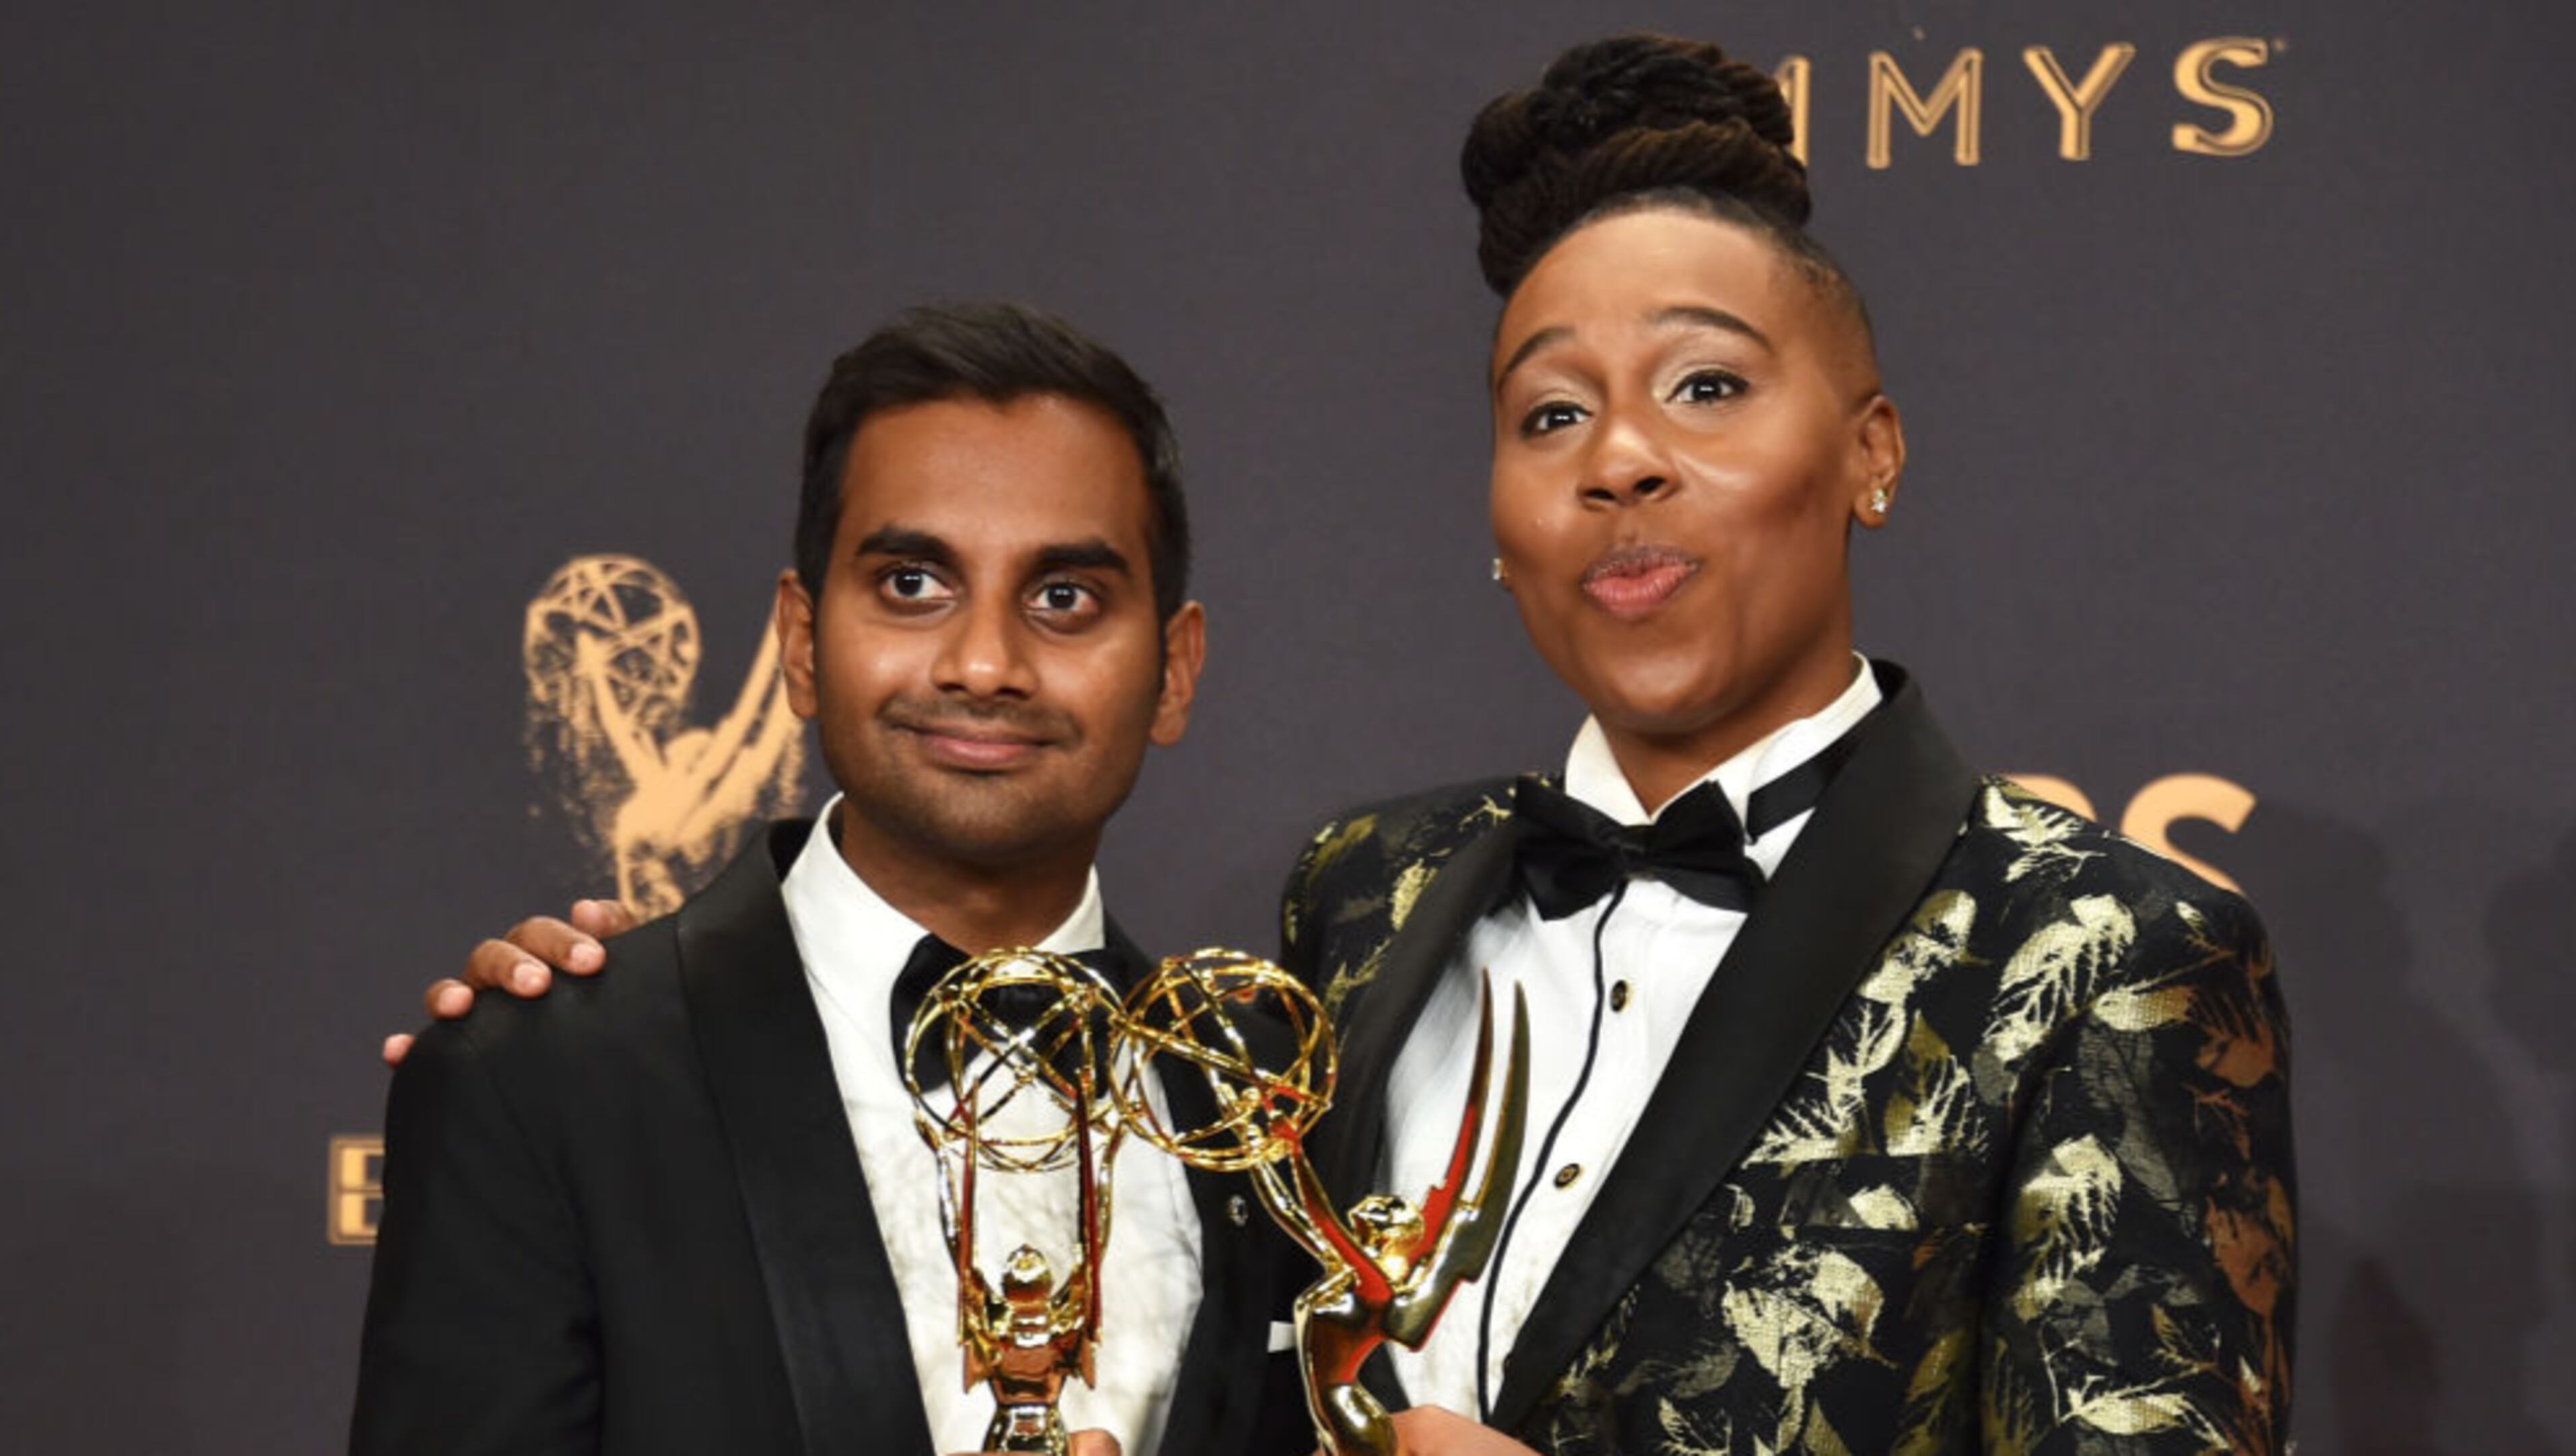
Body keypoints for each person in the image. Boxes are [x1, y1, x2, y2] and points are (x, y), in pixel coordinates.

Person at [422, 35, 2297, 1456]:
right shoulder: (1357, 909)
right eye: (1551, 414)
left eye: (1708, 386)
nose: (1622, 460)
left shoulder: (2102, 954)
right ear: (1499, 515)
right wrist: (603, 1020)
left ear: (1871, 449)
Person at [353, 301, 1274, 1456]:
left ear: (1174, 670)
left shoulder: (1264, 1101)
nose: (984, 662)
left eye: (1063, 598)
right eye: (913, 584)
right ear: (800, 640)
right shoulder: (540, 1077)